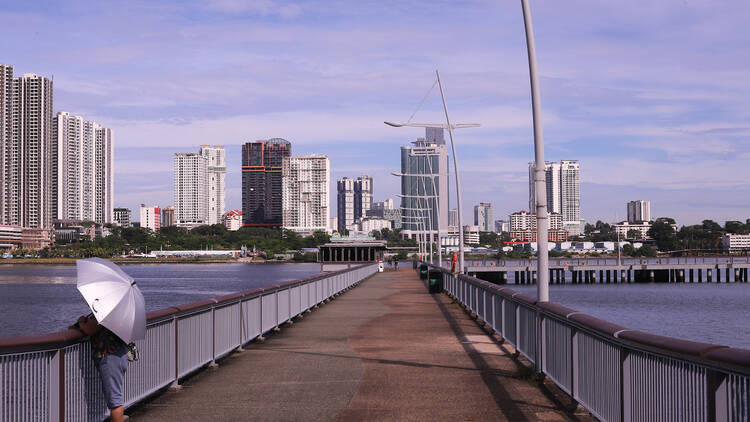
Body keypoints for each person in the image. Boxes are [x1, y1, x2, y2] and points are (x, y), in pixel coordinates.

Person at [72, 314, 129, 422]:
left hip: (110, 358)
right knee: (115, 396)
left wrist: (80, 322)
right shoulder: (116, 312)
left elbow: (89, 329)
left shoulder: (103, 312)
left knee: (115, 401)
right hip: (119, 355)